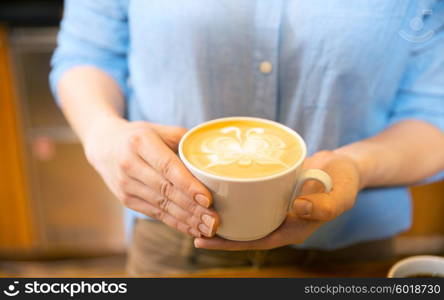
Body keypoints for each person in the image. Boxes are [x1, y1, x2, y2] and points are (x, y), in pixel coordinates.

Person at [50, 0, 444, 276]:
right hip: (172, 237)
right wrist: (103, 133)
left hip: (350, 250)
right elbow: (89, 53)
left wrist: (358, 165)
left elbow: (433, 111)